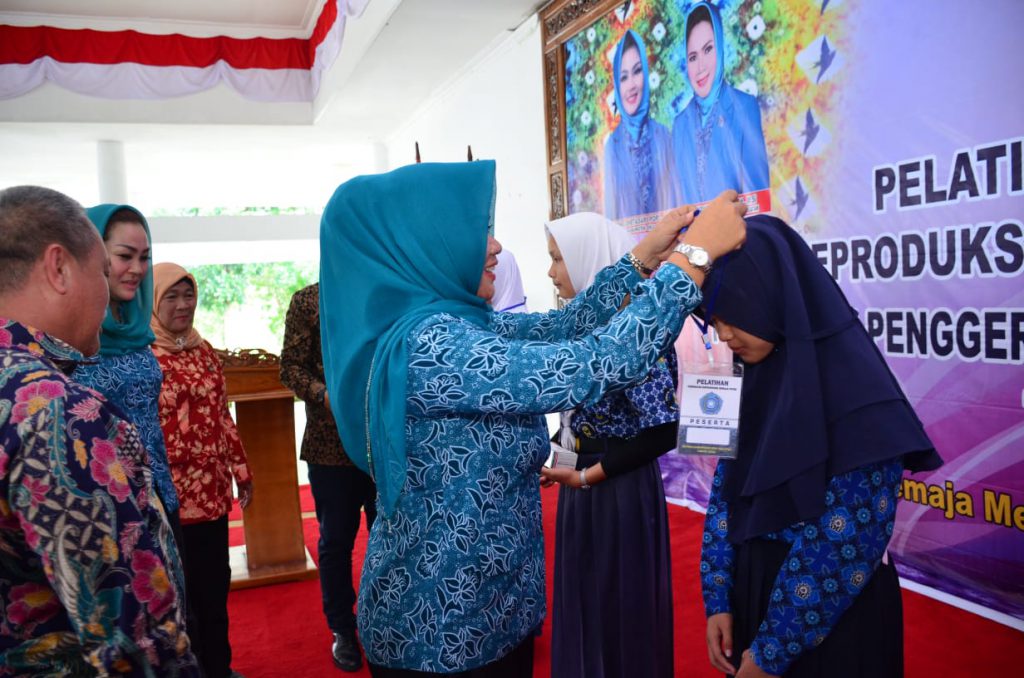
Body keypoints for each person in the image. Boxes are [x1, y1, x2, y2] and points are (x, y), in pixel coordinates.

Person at [318, 160, 747, 676]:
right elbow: (596, 362)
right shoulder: (430, 345)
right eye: (478, 231)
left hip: (488, 610)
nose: (496, 247)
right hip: (443, 629)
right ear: (424, 243)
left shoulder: (453, 325)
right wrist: (693, 258)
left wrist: (643, 258)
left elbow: (564, 326)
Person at [697, 216, 943, 677]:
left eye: (732, 316)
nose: (723, 335)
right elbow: (725, 491)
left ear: (768, 297)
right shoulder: (751, 379)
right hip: (755, 599)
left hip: (830, 619)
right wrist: (718, 596)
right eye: (715, 321)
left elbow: (848, 538)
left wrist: (770, 652)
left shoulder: (861, 397)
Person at [0, 185, 198, 675]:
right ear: (59, 268)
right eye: (103, 270)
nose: (109, 292)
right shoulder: (60, 412)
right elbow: (129, 636)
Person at [541, 212, 678, 678]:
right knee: (586, 603)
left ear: (588, 258)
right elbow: (581, 416)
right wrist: (562, 457)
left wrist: (586, 475)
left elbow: (662, 430)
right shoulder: (585, 326)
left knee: (619, 609)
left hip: (618, 489)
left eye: (558, 258)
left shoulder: (631, 329)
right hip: (585, 482)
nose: (551, 272)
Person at [151, 262, 253, 678]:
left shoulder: (204, 350)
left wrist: (241, 469)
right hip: (171, 500)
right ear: (153, 302)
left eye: (188, 295)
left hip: (211, 495)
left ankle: (220, 668)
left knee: (215, 590)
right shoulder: (143, 356)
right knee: (181, 600)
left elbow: (222, 415)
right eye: (171, 297)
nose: (183, 305)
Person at [73, 204, 184, 552]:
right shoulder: (75, 335)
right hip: (109, 505)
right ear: (93, 255)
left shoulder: (136, 328)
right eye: (125, 256)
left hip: (160, 491)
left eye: (144, 257)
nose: (137, 269)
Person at [280, 282, 377, 672]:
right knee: (336, 541)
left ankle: (384, 618)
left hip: (380, 442)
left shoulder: (383, 290)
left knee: (389, 536)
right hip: (329, 446)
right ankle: (342, 628)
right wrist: (325, 395)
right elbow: (290, 367)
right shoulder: (309, 300)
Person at [671, 1, 770, 203]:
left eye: (708, 49)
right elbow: (676, 204)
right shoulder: (680, 125)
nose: (700, 67)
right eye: (693, 57)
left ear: (721, 47)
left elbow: (759, 201)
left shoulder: (744, 107)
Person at [603, 29, 681, 220]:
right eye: (623, 77)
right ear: (617, 85)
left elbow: (678, 200)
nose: (631, 85)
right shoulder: (612, 147)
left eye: (637, 71)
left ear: (646, 74)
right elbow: (611, 218)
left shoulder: (663, 135)